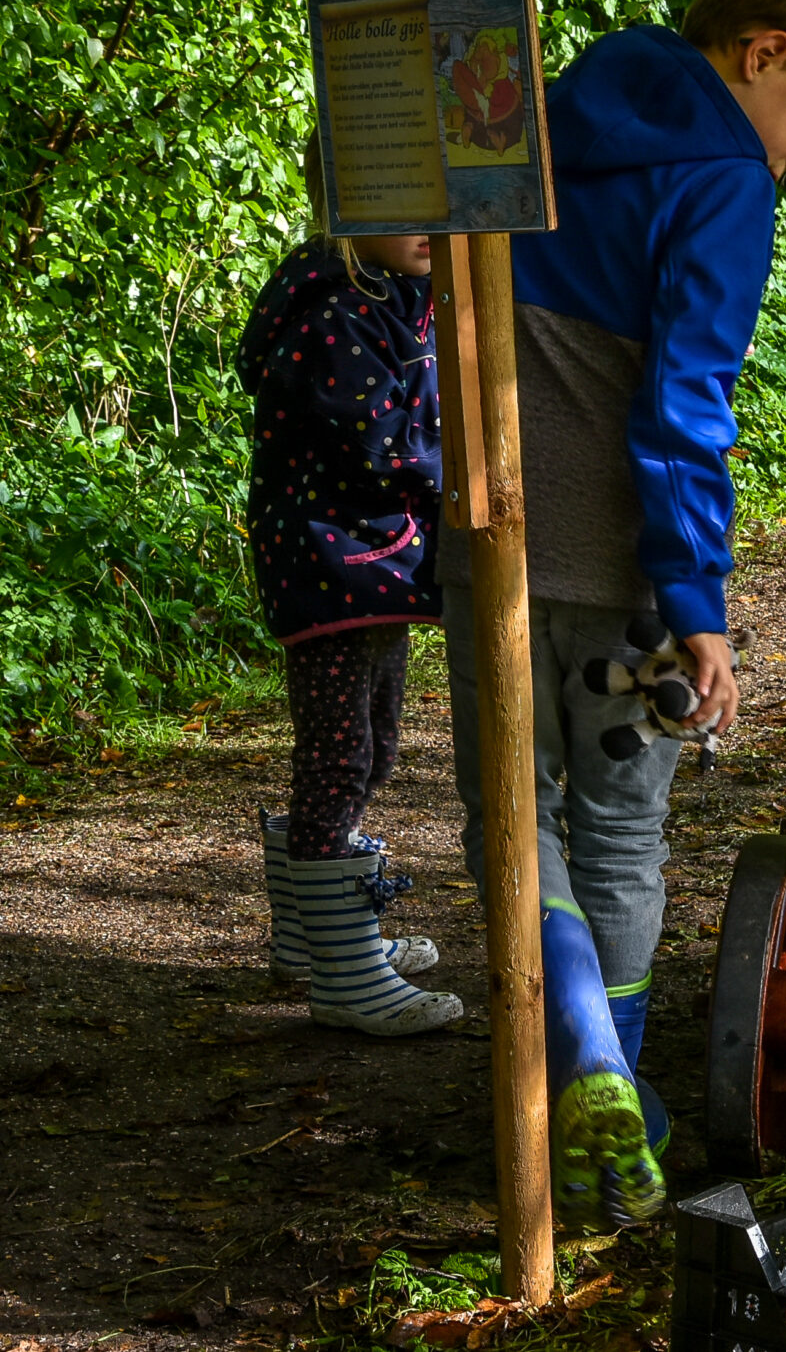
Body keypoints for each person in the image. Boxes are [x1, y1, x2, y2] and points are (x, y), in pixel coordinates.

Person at [439, 0, 786, 1232]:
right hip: (622, 571)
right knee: (624, 828)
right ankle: (614, 1091)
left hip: (480, 530)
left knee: (511, 812)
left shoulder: (528, 114)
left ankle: (565, 1065)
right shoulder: (723, 180)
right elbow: (684, 408)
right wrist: (699, 604)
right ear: (763, 54)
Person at [238, 173, 461, 1038]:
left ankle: (315, 937)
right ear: (340, 203)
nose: (424, 221)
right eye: (398, 193)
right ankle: (342, 977)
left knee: (369, 746)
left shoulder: (394, 293)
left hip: (373, 564)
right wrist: (467, 473)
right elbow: (380, 441)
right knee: (342, 753)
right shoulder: (335, 311)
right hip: (331, 560)